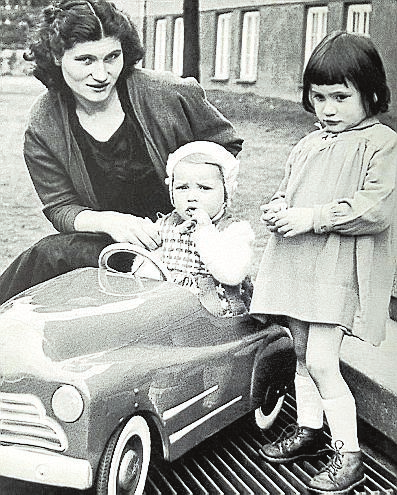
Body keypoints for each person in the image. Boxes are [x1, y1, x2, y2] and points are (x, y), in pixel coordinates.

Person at [0, 0, 242, 305]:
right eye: (85, 60)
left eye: (112, 57)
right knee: (48, 254)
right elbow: (61, 208)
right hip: (112, 240)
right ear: (57, 58)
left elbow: (225, 145)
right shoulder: (44, 123)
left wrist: (197, 205)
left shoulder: (166, 93)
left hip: (185, 242)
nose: (101, 73)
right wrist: (112, 223)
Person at [250, 31, 397, 494]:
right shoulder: (309, 143)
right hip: (297, 265)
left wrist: (310, 217)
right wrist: (277, 208)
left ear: (371, 95)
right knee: (299, 353)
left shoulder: (382, 143)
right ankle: (310, 430)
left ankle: (349, 454)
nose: (327, 108)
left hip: (336, 270)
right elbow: (289, 190)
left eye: (340, 97)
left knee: (322, 360)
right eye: (318, 97)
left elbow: (374, 210)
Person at [133, 140, 255, 318]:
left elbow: (231, 274)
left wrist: (204, 230)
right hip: (169, 307)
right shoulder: (165, 226)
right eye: (182, 188)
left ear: (226, 192)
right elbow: (144, 272)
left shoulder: (234, 230)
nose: (191, 197)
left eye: (204, 188)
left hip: (217, 315)